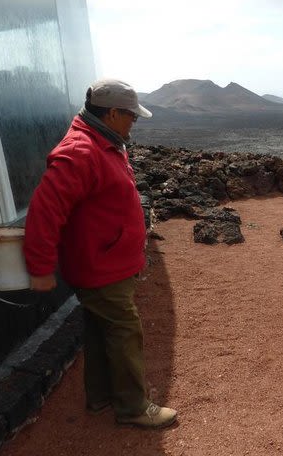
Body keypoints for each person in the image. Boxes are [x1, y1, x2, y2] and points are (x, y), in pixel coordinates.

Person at [23, 79, 177, 429]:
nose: (134, 122)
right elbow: (45, 211)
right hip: (100, 265)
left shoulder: (104, 141)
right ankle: (134, 407)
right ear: (111, 113)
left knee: (99, 328)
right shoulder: (81, 151)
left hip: (107, 261)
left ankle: (102, 396)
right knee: (124, 330)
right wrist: (41, 267)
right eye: (131, 116)